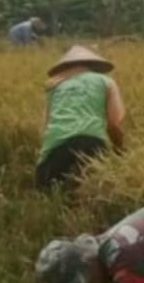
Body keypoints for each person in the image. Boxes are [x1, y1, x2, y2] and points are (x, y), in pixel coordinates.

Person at [36, 46, 126, 190]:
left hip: (54, 151)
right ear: (93, 65)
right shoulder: (106, 81)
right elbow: (114, 124)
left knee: (50, 194)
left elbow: (44, 130)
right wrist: (119, 152)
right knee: (95, 192)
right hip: (91, 145)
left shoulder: (54, 87)